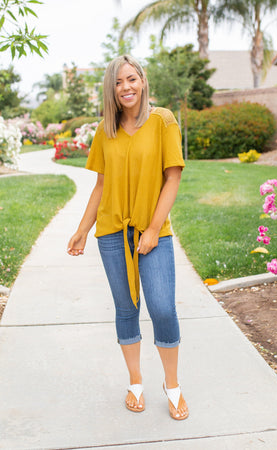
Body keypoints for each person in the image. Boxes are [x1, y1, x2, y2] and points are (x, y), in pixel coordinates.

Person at [67, 54, 189, 421]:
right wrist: (82, 229)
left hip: (153, 232)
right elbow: (101, 185)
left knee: (163, 308)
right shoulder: (106, 129)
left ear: (143, 80)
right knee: (126, 309)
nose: (126, 88)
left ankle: (172, 385)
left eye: (131, 79)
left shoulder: (162, 120)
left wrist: (153, 228)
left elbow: (173, 177)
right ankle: (135, 381)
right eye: (119, 82)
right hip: (112, 232)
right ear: (112, 88)